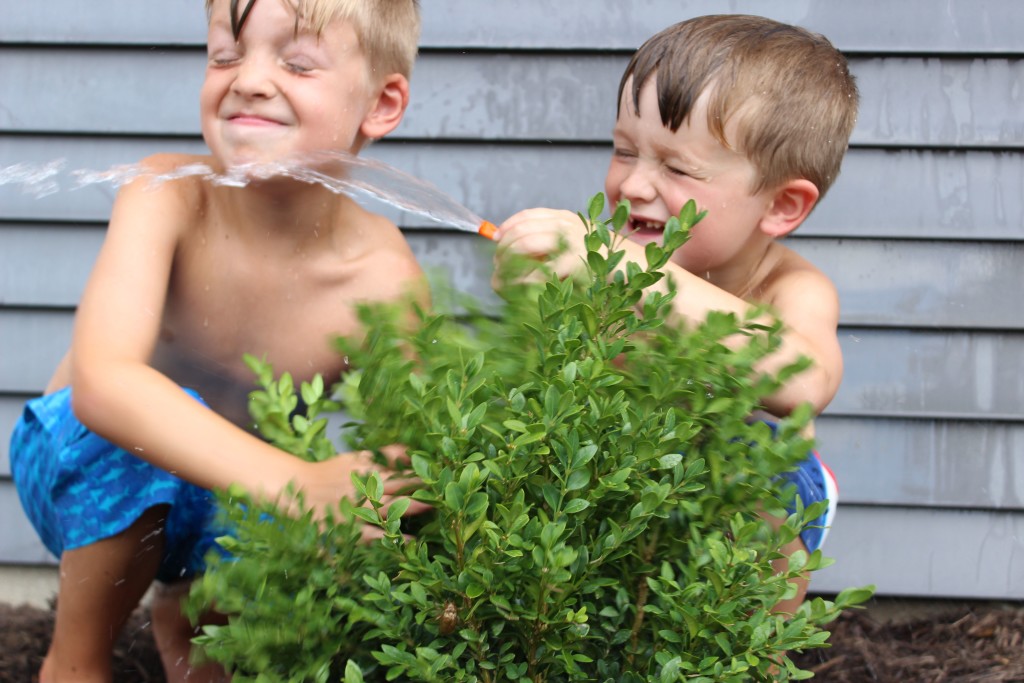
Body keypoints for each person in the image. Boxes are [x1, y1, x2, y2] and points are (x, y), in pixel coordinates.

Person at [9, 0, 425, 681]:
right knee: (154, 425)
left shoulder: (384, 277)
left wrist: (359, 505)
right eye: (225, 54)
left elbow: (411, 447)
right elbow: (103, 383)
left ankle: (195, 619)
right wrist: (300, 484)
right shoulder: (168, 194)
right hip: (82, 467)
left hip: (241, 494)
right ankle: (75, 659)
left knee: (240, 642)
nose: (249, 80)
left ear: (381, 104)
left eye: (295, 61)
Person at [493, 14, 858, 614]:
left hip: (749, 496)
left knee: (759, 523)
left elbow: (806, 379)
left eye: (678, 168)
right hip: (622, 482)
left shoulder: (790, 286)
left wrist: (628, 271)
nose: (634, 184)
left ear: (782, 204)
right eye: (623, 151)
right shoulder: (605, 266)